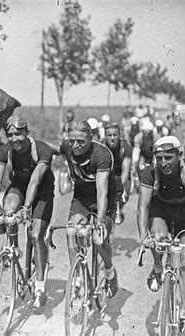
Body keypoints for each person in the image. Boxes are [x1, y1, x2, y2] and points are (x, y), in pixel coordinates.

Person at [0, 115, 55, 309]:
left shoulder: (42, 150)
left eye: (18, 134)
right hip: (19, 186)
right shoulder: (3, 151)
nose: (15, 139)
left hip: (42, 190)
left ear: (27, 133)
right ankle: (13, 247)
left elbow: (34, 181)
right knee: (7, 210)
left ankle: (40, 286)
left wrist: (26, 208)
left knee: (35, 235)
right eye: (10, 135)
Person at [137, 136, 185, 334]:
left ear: (179, 155)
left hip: (183, 213)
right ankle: (157, 267)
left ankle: (184, 313)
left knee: (184, 261)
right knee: (157, 238)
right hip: (161, 211)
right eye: (159, 158)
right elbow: (142, 207)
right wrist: (143, 238)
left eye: (168, 157)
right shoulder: (149, 172)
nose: (163, 163)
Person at [59, 120, 119, 298]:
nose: (75, 146)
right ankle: (77, 276)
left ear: (90, 139)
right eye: (72, 141)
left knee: (98, 240)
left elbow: (102, 192)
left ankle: (109, 271)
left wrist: (100, 221)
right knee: (72, 230)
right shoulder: (66, 147)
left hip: (103, 199)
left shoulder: (102, 155)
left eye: (81, 142)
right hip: (82, 198)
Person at [104, 123, 133, 214]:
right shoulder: (101, 146)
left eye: (115, 135)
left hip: (121, 173)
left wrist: (120, 186)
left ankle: (119, 208)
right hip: (106, 173)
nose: (112, 138)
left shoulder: (126, 147)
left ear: (120, 136)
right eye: (109, 135)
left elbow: (126, 169)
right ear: (105, 137)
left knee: (124, 196)